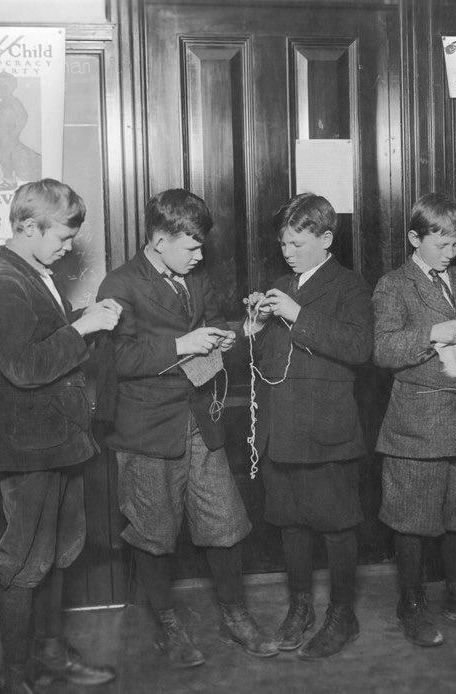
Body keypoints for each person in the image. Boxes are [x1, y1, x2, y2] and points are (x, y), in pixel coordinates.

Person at [96, 188, 277, 669]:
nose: (200, 256)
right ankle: (167, 626)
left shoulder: (191, 278)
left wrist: (242, 330)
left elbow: (209, 331)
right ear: (158, 240)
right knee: (153, 535)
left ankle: (235, 617)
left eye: (201, 246)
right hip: (148, 431)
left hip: (199, 422)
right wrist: (183, 344)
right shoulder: (120, 285)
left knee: (227, 524)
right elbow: (117, 359)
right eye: (191, 246)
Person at [0, 178, 120, 694]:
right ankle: (13, 679)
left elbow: (41, 343)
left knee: (60, 551)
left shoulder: (33, 274)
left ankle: (53, 656)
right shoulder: (4, 284)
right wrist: (81, 329)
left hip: (58, 442)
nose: (67, 247)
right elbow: (25, 367)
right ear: (26, 227)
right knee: (23, 563)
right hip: (30, 448)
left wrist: (86, 319)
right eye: (61, 237)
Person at [242, 193, 372, 659]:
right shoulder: (281, 283)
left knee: (337, 526)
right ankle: (300, 607)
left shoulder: (349, 285)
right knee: (290, 524)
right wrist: (254, 330)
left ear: (326, 239)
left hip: (327, 432)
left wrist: (297, 315)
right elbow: (267, 362)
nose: (288, 252)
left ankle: (343, 614)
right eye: (284, 243)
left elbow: (359, 348)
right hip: (282, 431)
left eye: (297, 243)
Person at [372, 192, 456, 648]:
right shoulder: (394, 285)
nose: (451, 253)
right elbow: (383, 350)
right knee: (412, 519)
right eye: (442, 245)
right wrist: (433, 333)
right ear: (415, 238)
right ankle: (410, 603)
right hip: (418, 422)